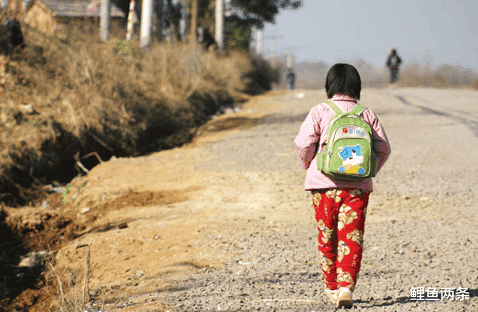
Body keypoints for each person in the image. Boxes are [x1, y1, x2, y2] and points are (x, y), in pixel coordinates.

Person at [294, 63, 391, 308]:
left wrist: (310, 165)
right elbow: (384, 148)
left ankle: (332, 287)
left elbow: (303, 143)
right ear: (356, 86)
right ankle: (346, 286)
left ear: (330, 85)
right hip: (357, 188)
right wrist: (368, 171)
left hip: (323, 186)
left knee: (327, 235)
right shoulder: (365, 113)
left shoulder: (320, 110)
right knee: (352, 236)